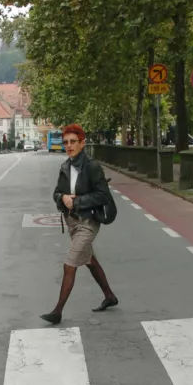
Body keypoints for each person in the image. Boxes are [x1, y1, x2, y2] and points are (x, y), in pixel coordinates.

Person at [41, 124, 118, 324]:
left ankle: (57, 311)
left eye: (73, 141)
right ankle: (109, 296)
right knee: (89, 260)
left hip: (89, 221)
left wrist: (77, 201)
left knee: (71, 263)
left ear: (82, 143)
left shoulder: (92, 166)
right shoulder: (65, 166)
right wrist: (64, 197)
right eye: (65, 142)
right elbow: (57, 193)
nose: (69, 145)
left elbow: (102, 195)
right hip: (72, 221)